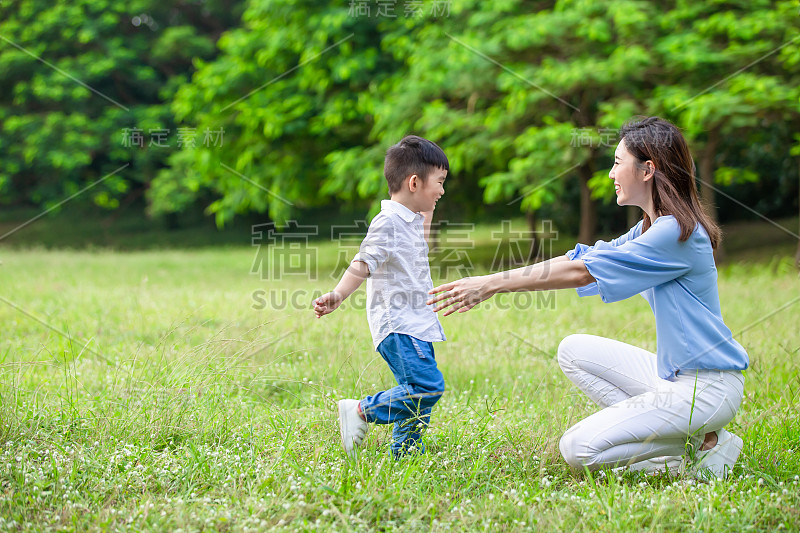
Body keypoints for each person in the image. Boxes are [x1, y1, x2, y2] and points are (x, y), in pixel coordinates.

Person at [427, 117, 749, 479]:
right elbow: (580, 259)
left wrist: (491, 285)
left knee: (577, 448)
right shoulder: (650, 228)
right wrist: (491, 280)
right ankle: (701, 441)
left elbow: (582, 273)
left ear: (648, 170)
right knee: (573, 350)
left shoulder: (675, 233)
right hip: (675, 379)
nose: (611, 174)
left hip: (708, 388)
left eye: (616, 162)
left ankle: (700, 446)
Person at [314, 135, 448, 458]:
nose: (442, 191)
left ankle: (405, 455)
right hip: (399, 324)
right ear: (414, 182)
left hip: (417, 322)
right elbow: (363, 262)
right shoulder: (388, 222)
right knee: (427, 387)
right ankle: (361, 411)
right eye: (440, 182)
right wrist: (338, 294)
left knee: (415, 395)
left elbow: (423, 231)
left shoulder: (411, 220)